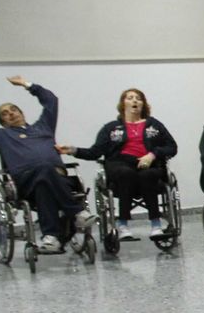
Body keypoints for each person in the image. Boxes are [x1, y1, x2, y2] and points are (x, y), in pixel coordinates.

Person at [0, 75, 93, 251]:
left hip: (55, 178)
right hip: (24, 181)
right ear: (2, 122)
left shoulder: (43, 126)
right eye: (5, 114)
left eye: (13, 109)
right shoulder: (1, 135)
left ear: (22, 113)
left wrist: (26, 85)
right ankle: (76, 212)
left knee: (43, 185)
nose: (11, 114)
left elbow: (51, 100)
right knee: (43, 170)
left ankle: (51, 237)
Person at [62, 89, 177, 241]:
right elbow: (95, 152)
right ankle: (122, 225)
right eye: (130, 98)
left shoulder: (154, 125)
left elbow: (172, 147)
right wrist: (73, 150)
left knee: (148, 175)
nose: (135, 101)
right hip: (120, 164)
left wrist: (152, 154)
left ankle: (156, 225)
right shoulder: (111, 128)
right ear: (123, 104)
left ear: (143, 104)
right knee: (125, 174)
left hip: (148, 164)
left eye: (138, 98)